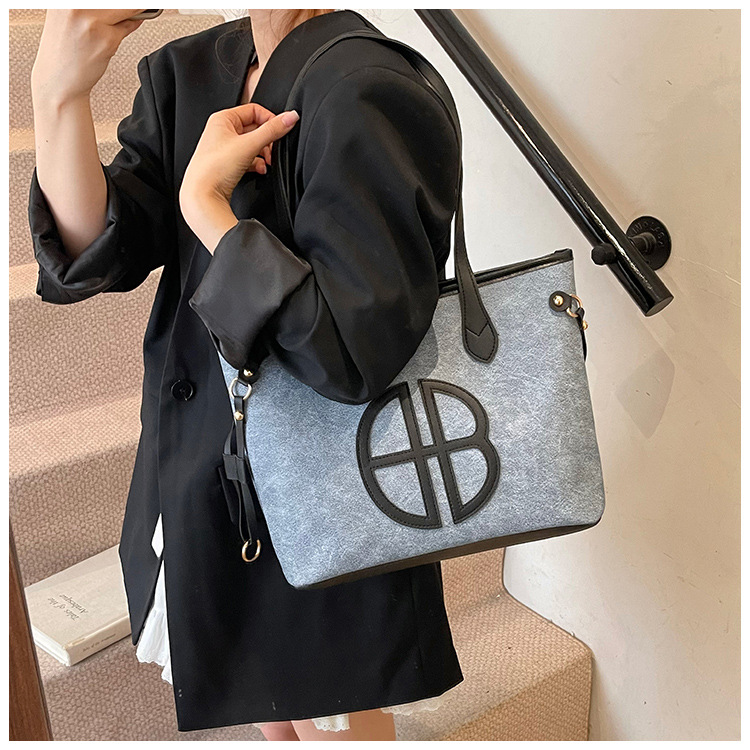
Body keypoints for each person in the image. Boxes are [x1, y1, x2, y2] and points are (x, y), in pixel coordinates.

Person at [29, 8, 464, 741]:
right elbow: (98, 250)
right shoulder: (187, 70)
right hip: (210, 459)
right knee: (272, 713)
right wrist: (58, 94)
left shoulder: (368, 84)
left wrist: (207, 208)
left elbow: (350, 353)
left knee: (335, 719)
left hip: (328, 485)